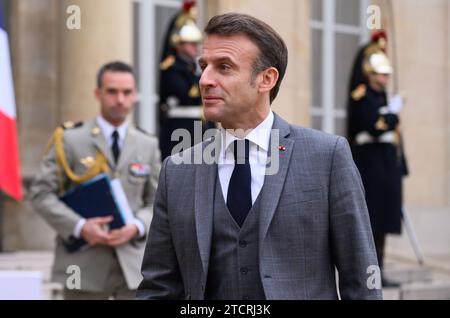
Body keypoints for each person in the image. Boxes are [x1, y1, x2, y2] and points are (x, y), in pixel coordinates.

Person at [137, 13, 381, 300]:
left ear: (266, 79)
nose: (204, 79)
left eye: (223, 67)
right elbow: (159, 287)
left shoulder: (327, 157)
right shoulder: (176, 170)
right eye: (204, 66)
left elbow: (362, 281)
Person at [29, 61, 161, 299]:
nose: (120, 99)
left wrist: (137, 225)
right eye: (112, 91)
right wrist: (80, 227)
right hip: (83, 265)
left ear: (135, 96)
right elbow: (41, 193)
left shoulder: (147, 144)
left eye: (127, 92)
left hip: (134, 266)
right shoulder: (70, 139)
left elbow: (158, 202)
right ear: (97, 93)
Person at [347, 50, 408, 287]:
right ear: (370, 74)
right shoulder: (363, 96)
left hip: (386, 161)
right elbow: (375, 127)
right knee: (371, 219)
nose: (385, 79)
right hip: (370, 161)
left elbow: (394, 135)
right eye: (380, 75)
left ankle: (379, 271)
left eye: (386, 75)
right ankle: (368, 273)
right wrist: (393, 113)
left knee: (382, 220)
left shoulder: (383, 96)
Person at [158, 3, 215, 160]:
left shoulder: (193, 67)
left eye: (196, 44)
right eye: (190, 44)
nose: (194, 48)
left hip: (201, 125)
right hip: (180, 126)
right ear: (179, 45)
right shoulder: (172, 67)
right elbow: (186, 94)